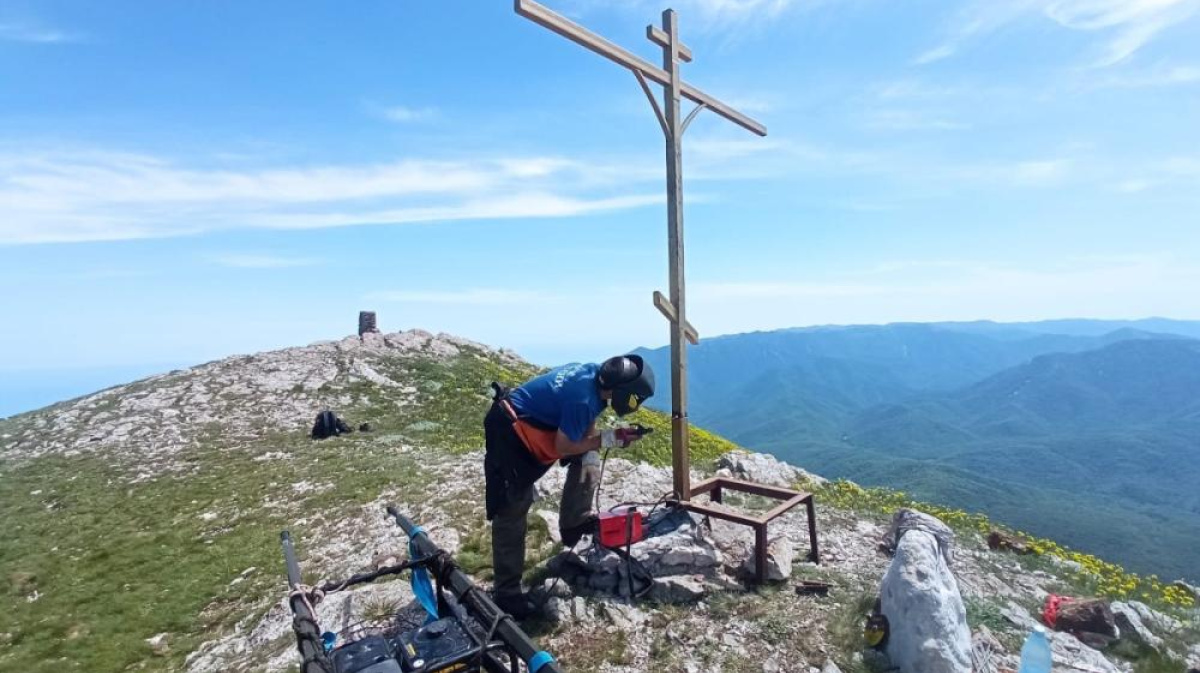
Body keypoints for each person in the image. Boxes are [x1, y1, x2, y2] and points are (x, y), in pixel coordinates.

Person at [484, 354, 655, 618]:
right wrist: (607, 439)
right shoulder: (583, 398)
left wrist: (609, 438)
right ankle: (506, 594)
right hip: (509, 433)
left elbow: (583, 433)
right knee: (512, 507)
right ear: (624, 393)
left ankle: (574, 522)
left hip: (530, 426)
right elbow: (563, 446)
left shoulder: (592, 376)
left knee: (588, 456)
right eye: (635, 398)